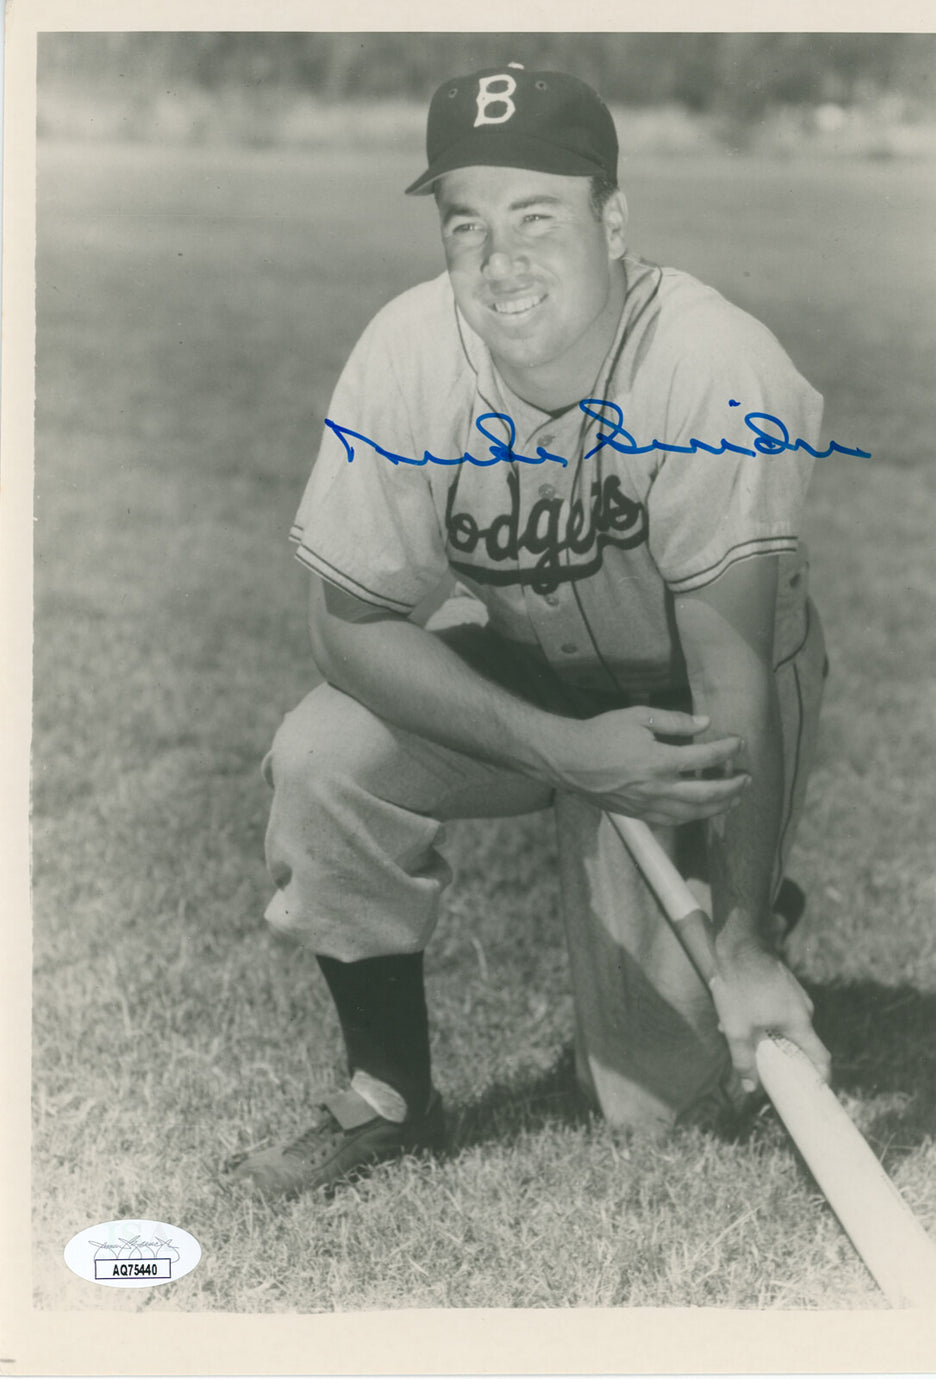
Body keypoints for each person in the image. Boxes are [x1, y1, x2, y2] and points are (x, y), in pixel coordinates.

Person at [230, 63, 832, 1196]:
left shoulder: (714, 365)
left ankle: (749, 906)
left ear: (614, 222)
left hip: (693, 701)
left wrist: (743, 942)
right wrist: (564, 751)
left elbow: (731, 678)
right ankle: (387, 1097)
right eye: (468, 224)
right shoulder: (407, 353)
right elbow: (347, 625)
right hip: (521, 659)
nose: (499, 259)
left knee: (661, 1111)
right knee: (322, 757)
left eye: (537, 217)